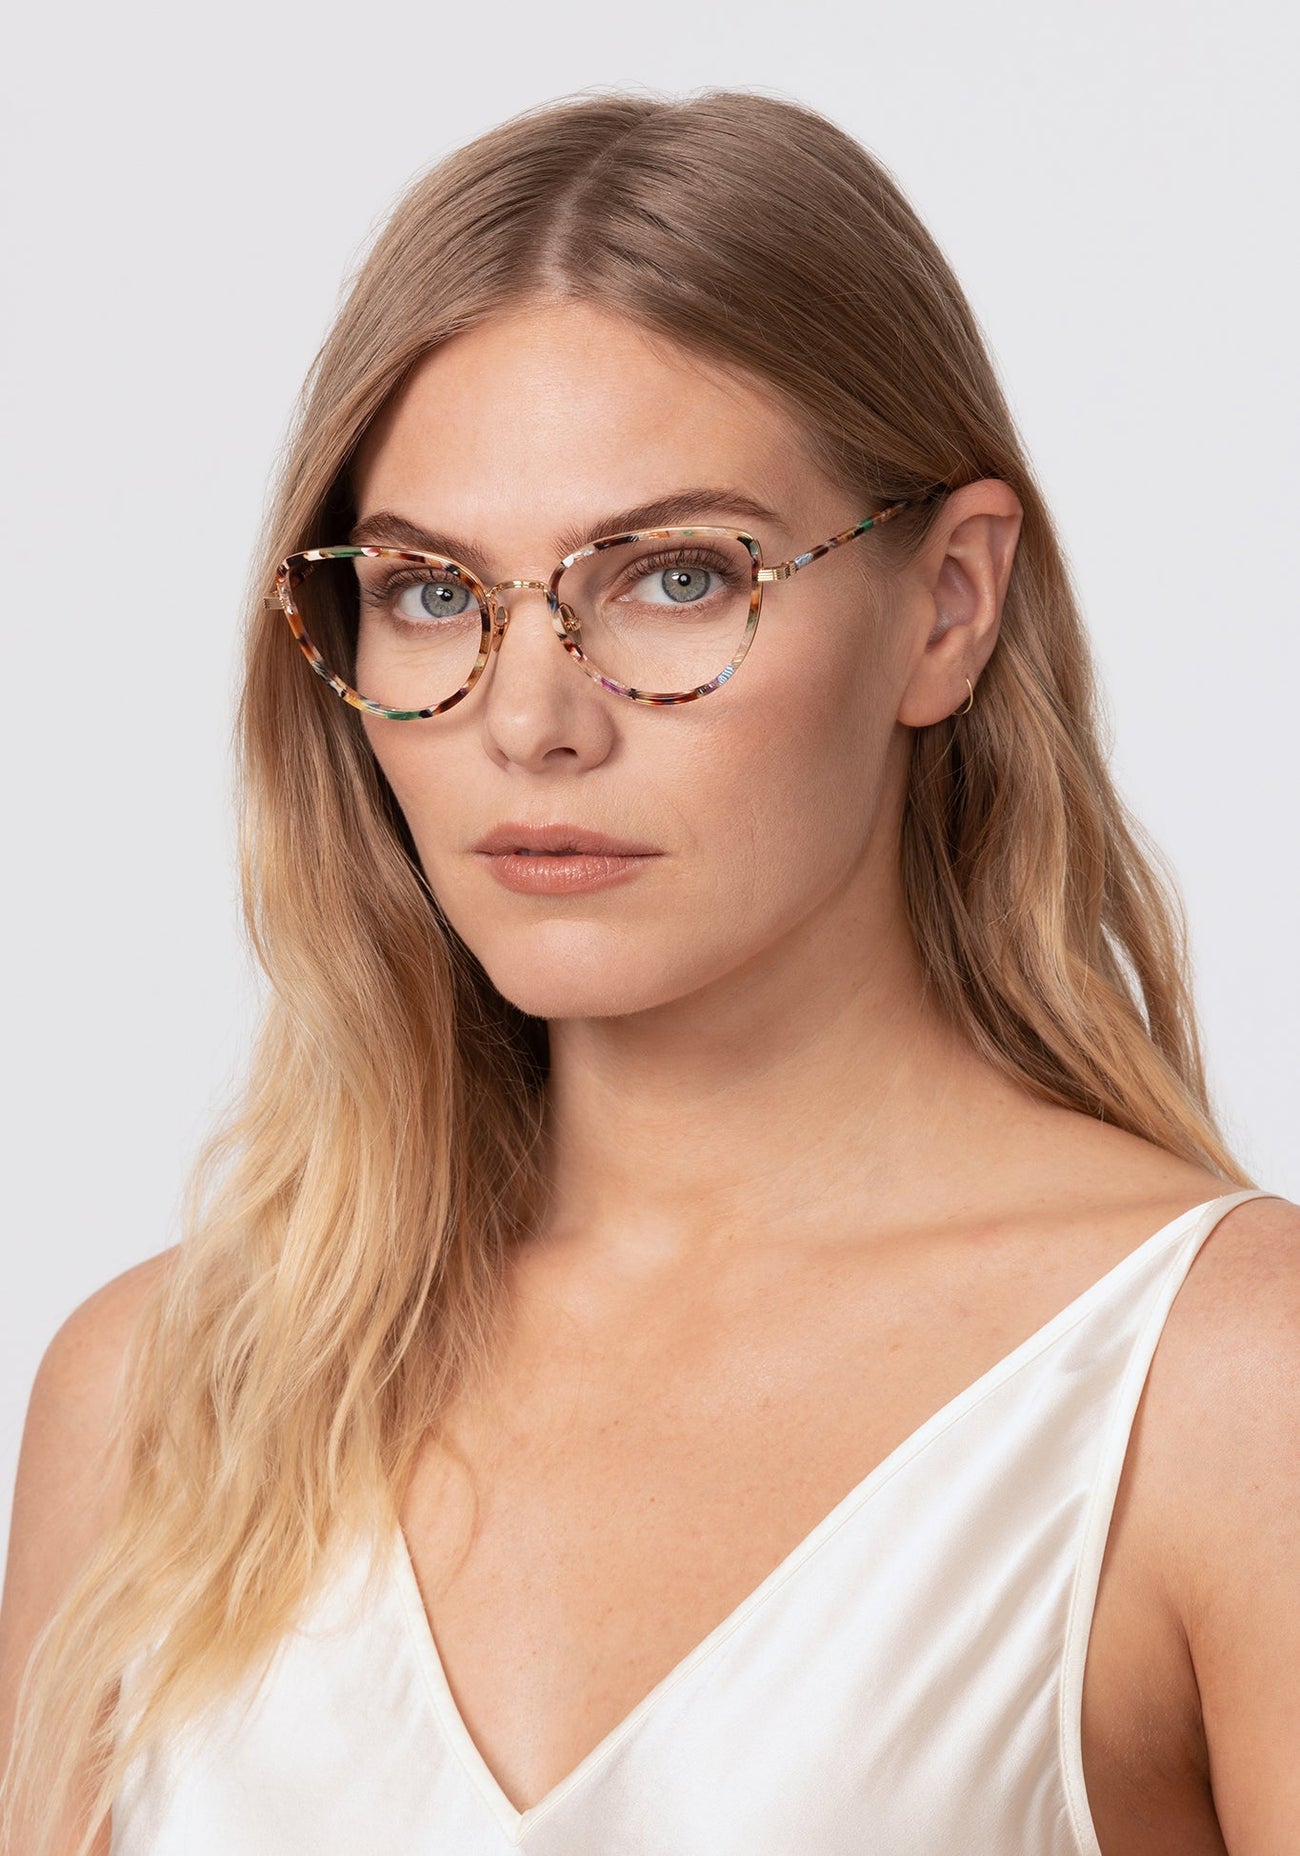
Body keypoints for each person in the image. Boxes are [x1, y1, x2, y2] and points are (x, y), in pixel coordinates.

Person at [0, 86, 1295, 1856]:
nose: (533, 720)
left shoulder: (1229, 1389)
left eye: (676, 577)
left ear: (950, 603)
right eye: (432, 592)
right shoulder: (163, 1400)